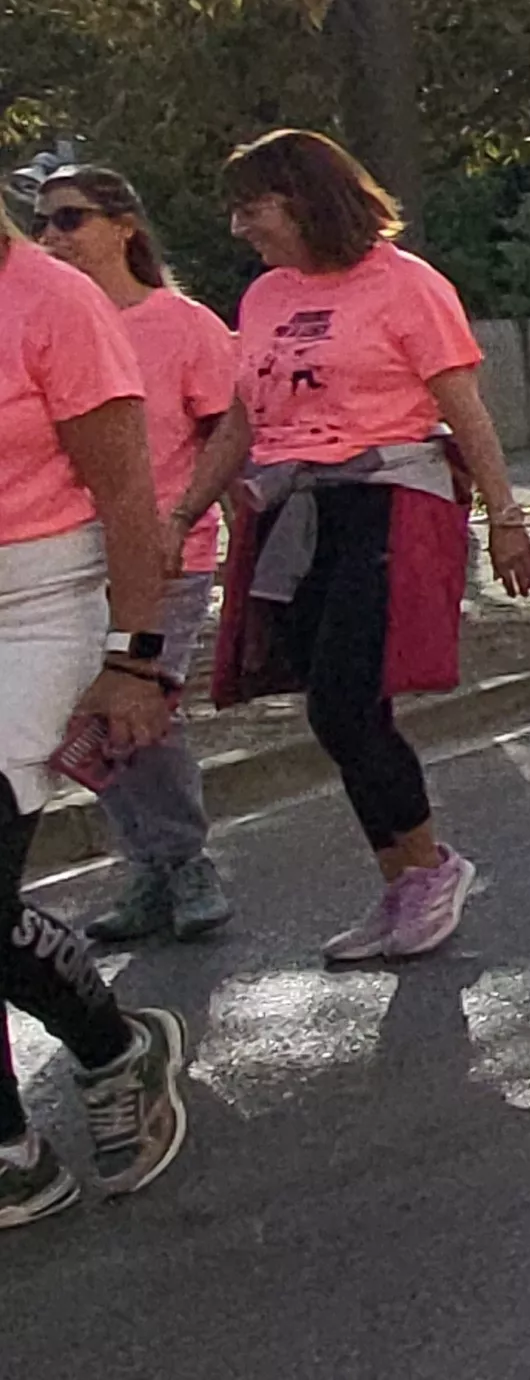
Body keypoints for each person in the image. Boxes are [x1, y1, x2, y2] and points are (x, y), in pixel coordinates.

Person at [180, 131, 530, 963]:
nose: (240, 228)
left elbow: (465, 408)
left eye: (253, 207)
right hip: (292, 511)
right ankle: (401, 880)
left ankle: (432, 867)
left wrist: (506, 515)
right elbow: (243, 418)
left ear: (306, 199)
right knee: (339, 707)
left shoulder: (406, 286)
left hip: (384, 502)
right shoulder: (265, 297)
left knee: (344, 698)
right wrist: (184, 511)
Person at [0, 201, 192, 1230]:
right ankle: (24, 1143)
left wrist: (134, 659)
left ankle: (112, 1051)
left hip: (39, 605)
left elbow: (127, 496)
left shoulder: (50, 301)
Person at [32, 167, 240, 943]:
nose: (53, 236)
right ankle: (149, 868)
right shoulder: (42, 320)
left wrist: (201, 518)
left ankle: (185, 862)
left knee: (143, 707)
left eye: (70, 219)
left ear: (125, 227)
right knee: (84, 715)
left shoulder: (181, 324)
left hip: (167, 556)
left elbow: (230, 432)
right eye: (43, 222)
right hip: (65, 557)